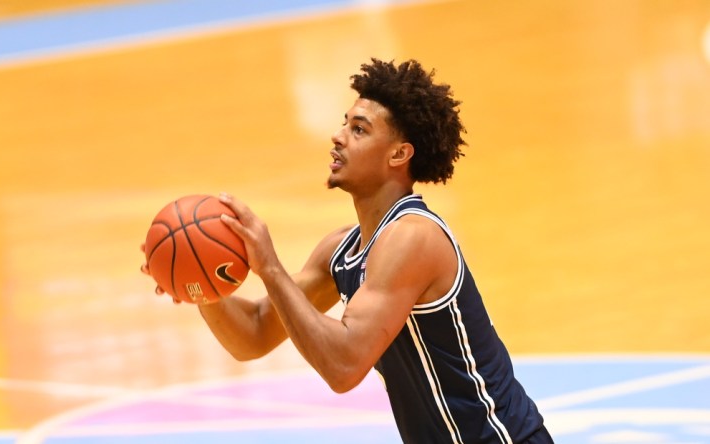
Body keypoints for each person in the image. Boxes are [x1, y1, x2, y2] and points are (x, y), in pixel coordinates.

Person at [142, 58, 552, 443]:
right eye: (345, 124)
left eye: (359, 129)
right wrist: (199, 284)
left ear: (399, 154)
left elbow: (344, 367)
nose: (338, 136)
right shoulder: (342, 250)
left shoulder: (413, 237)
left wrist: (268, 266)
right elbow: (255, 333)